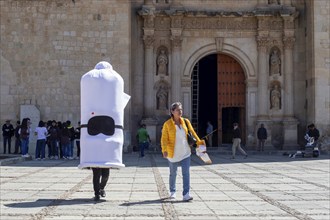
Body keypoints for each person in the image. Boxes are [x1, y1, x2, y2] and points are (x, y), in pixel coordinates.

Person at [161, 102, 205, 201]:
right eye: (178, 110)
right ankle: (172, 192)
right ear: (172, 111)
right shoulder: (167, 124)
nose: (180, 111)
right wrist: (164, 150)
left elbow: (193, 133)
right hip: (173, 153)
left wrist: (199, 143)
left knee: (186, 173)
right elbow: (164, 138)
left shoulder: (185, 121)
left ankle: (186, 194)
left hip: (185, 152)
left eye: (181, 109)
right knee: (173, 173)